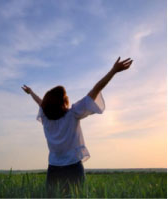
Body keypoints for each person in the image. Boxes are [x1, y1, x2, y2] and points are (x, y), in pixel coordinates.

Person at [22, 57, 133, 196]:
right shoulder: (72, 114)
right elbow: (96, 89)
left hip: (54, 169)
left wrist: (31, 92)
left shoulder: (46, 118)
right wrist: (113, 71)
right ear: (63, 101)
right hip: (73, 168)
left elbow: (41, 103)